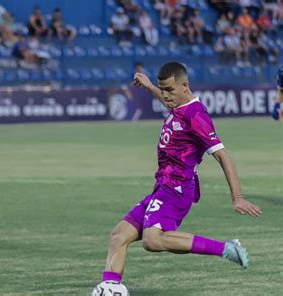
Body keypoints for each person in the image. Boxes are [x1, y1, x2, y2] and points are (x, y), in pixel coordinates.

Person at [92, 62, 261, 292]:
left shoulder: (197, 114)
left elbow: (223, 155)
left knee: (153, 240)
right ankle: (110, 288)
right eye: (163, 90)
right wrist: (151, 86)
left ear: (185, 85)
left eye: (170, 90)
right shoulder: (179, 105)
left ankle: (226, 248)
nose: (165, 96)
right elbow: (168, 101)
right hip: (162, 187)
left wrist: (238, 197)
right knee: (118, 236)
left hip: (177, 189)